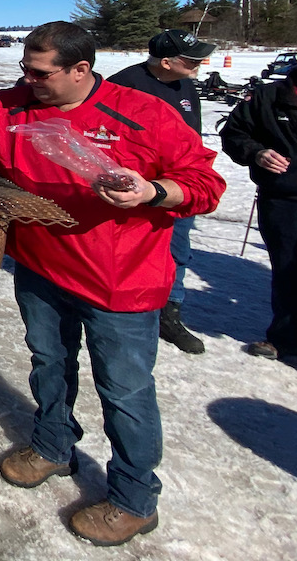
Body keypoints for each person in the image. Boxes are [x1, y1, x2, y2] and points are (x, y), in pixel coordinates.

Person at [0, 21, 225, 547]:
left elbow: (206, 183)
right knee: (49, 363)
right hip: (41, 268)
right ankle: (54, 445)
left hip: (119, 281)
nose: (28, 79)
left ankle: (133, 498)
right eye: (25, 69)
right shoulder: (11, 106)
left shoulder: (144, 112)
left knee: (124, 392)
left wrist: (152, 190)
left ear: (81, 69)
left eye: (40, 72)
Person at [108, 29, 217, 354]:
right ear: (167, 62)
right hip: (133, 191)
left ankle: (169, 314)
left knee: (178, 252)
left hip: (175, 187)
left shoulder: (185, 83)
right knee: (133, 255)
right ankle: (125, 313)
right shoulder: (124, 84)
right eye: (192, 58)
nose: (199, 63)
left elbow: (190, 133)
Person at [220, 42, 297, 361]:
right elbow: (233, 134)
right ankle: (287, 339)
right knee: (289, 269)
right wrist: (256, 153)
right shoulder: (268, 97)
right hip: (287, 198)